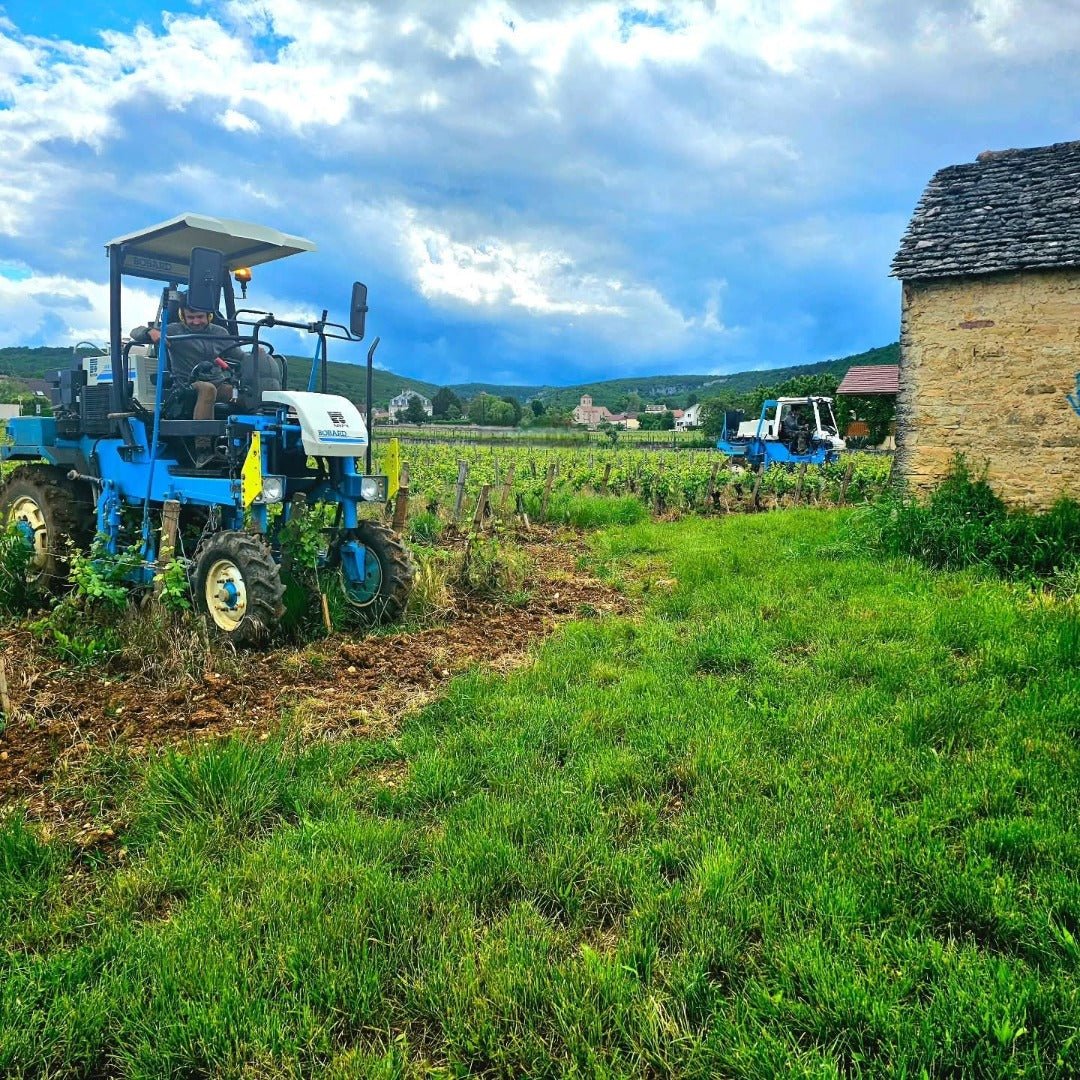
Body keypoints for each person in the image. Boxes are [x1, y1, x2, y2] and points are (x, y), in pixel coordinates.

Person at [129, 291, 243, 465]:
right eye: (191, 317)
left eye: (200, 317)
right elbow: (134, 332)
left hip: (218, 383)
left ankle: (245, 443)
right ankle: (203, 450)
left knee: (242, 393)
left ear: (209, 316)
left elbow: (239, 355)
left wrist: (256, 355)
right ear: (183, 316)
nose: (196, 321)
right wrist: (150, 332)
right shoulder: (174, 330)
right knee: (207, 389)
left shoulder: (220, 332)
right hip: (187, 386)